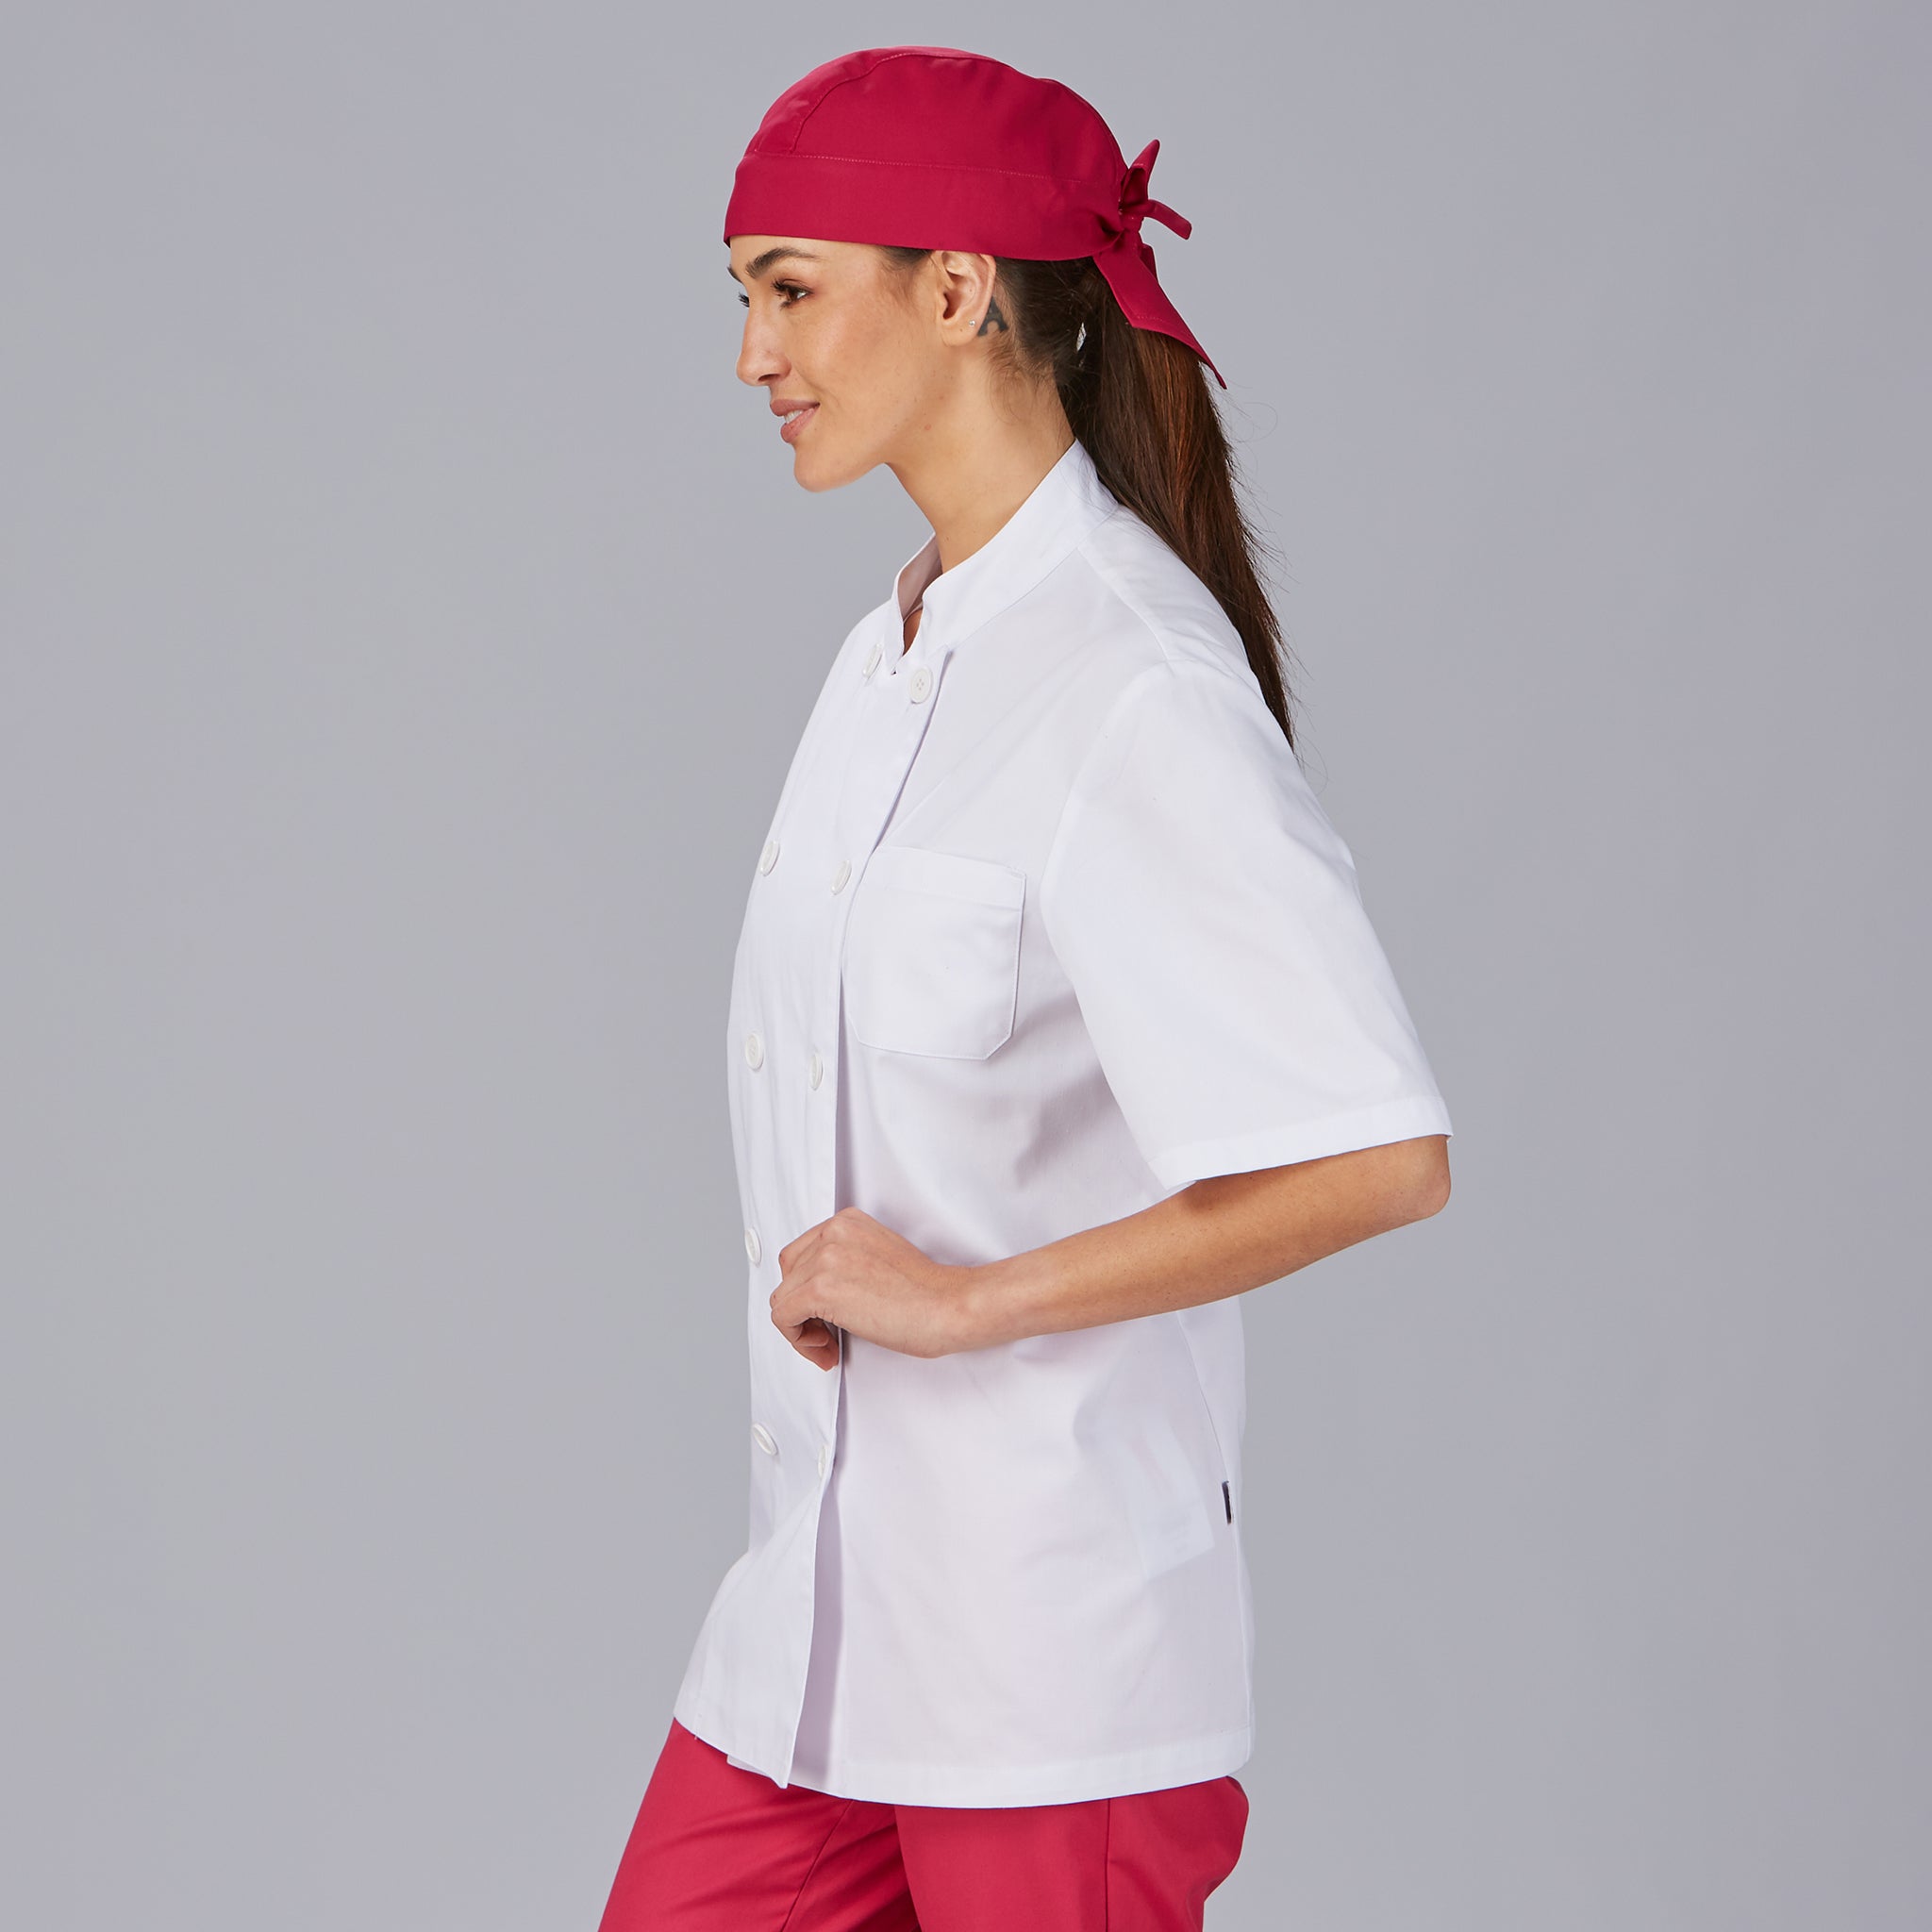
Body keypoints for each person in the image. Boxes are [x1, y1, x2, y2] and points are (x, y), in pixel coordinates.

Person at [596, 43, 1454, 1932]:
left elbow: (1377, 1157)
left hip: (1052, 1675)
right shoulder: (885, 660)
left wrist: (971, 1303)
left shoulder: (1131, 681)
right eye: (742, 296)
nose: (750, 353)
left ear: (961, 288)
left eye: (789, 289)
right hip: (815, 1642)